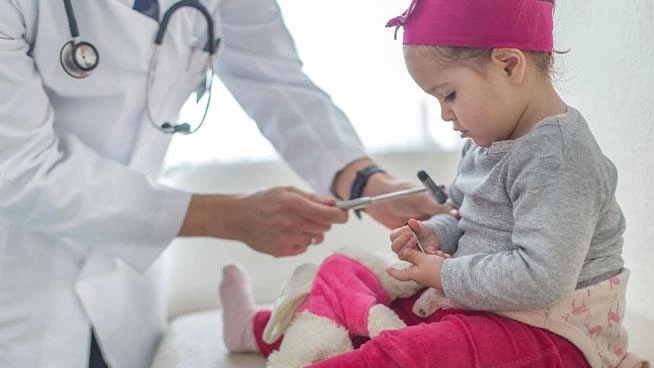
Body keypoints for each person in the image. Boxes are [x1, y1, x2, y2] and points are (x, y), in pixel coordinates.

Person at [0, 1, 449, 368]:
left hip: (125, 283)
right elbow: (17, 170)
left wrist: (366, 181)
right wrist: (224, 215)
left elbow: (275, 80)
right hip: (20, 276)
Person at [219, 0, 650, 367]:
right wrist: (433, 234)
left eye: (449, 95)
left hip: (550, 331)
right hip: (483, 306)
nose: (445, 114)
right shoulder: (487, 140)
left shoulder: (559, 159)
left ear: (508, 64)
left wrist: (444, 273)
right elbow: (463, 217)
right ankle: (256, 329)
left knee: (406, 352)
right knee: (349, 281)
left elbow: (542, 277)